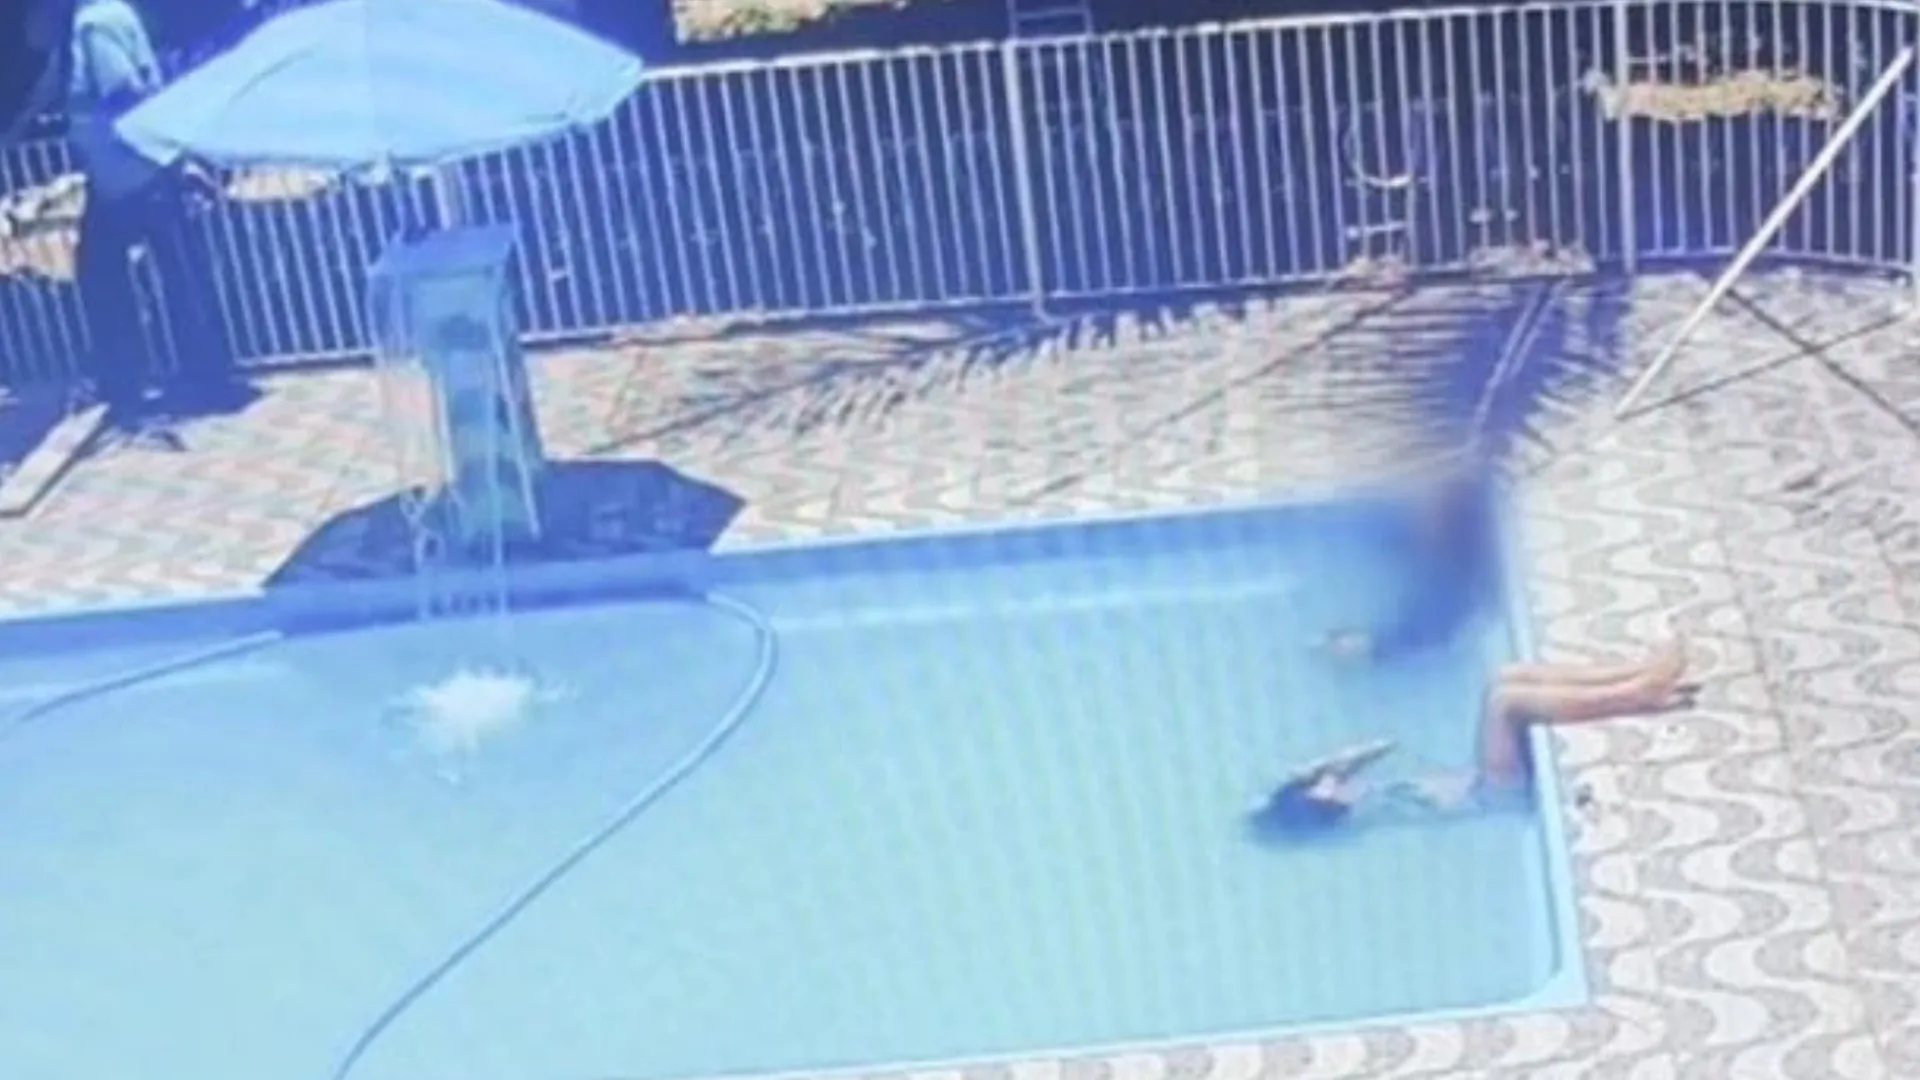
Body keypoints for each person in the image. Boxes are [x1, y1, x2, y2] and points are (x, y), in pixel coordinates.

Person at [1250, 639, 1694, 840]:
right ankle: (1637, 693)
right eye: (1319, 786)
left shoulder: (1355, 800)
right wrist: (1313, 775)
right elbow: (1375, 750)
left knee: (1506, 677)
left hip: (1483, 783)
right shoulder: (1357, 814)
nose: (1328, 779)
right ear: (1318, 803)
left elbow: (1380, 746)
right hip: (1492, 796)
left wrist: (1315, 773)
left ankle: (1634, 675)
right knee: (1505, 702)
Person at [69, 0, 244, 427]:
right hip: (145, 164)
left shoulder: (94, 22)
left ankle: (126, 381)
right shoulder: (118, 14)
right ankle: (207, 374)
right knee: (181, 272)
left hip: (121, 171)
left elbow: (121, 88)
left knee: (103, 277)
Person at [1325, 454, 1502, 663]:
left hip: (1450, 612)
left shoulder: (1456, 576)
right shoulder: (1432, 532)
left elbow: (1439, 633)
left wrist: (1369, 646)